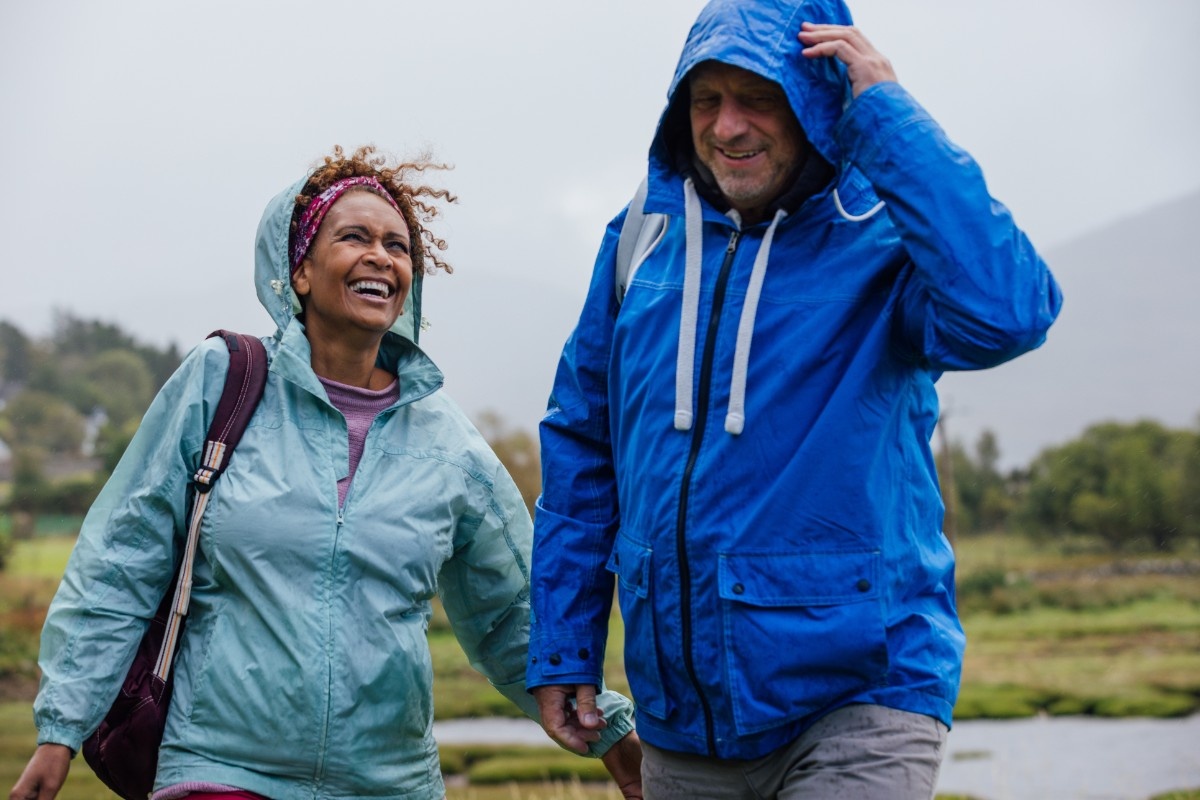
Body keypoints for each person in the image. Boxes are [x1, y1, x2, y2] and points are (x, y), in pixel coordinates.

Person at [526, 1, 1062, 798]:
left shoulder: (884, 235)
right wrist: (566, 641)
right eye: (706, 101)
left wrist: (885, 113)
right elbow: (583, 442)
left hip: (861, 700)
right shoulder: (644, 235)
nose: (728, 127)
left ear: (813, 103)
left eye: (759, 98)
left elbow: (1009, 313)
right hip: (683, 719)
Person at [11, 145, 637, 800]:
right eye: (355, 237)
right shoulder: (220, 383)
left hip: (390, 783)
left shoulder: (448, 443)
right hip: (219, 767)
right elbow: (121, 560)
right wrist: (60, 731)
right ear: (300, 272)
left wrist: (609, 731)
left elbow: (514, 615)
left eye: (397, 246)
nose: (381, 256)